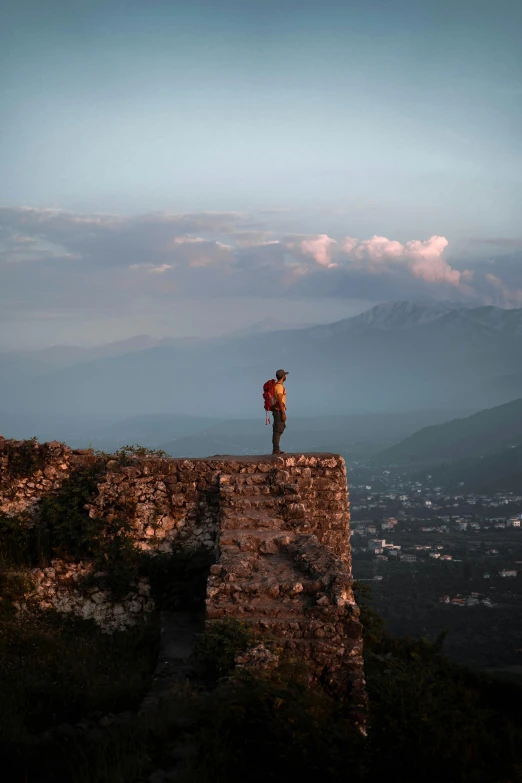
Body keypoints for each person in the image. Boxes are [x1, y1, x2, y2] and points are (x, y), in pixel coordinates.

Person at [272, 369, 288, 455]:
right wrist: (283, 413)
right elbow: (279, 400)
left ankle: (276, 449)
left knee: (278, 430)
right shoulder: (279, 387)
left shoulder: (276, 385)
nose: (285, 376)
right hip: (279, 411)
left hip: (276, 410)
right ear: (282, 377)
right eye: (284, 375)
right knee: (278, 430)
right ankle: (276, 450)